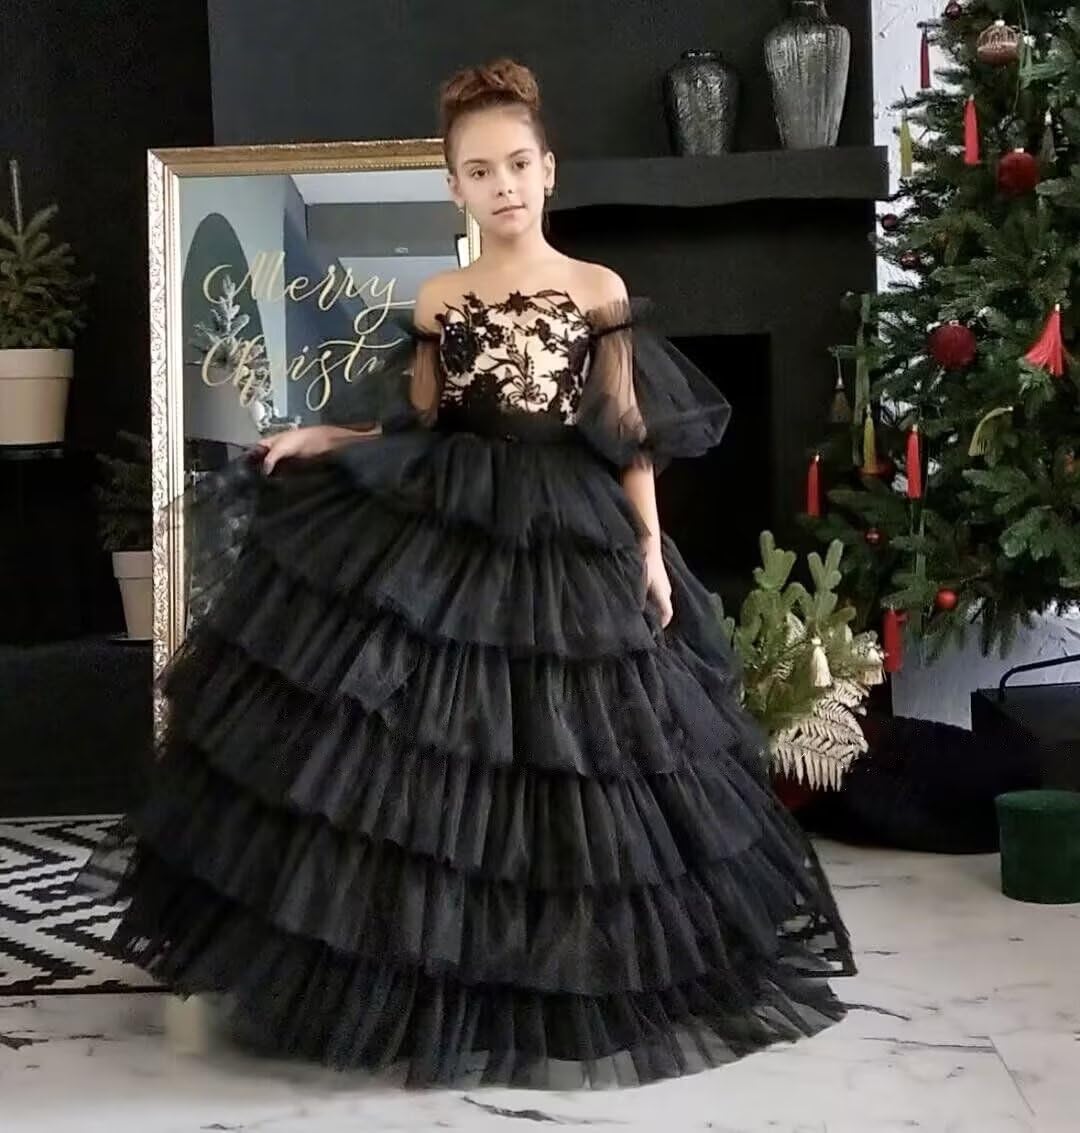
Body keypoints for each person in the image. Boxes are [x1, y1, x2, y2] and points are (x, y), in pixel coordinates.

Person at [76, 57, 856, 1090]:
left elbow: (626, 432)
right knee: (435, 745)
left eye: (518, 164)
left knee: (572, 749)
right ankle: (421, 968)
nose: (503, 185)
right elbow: (420, 423)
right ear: (453, 186)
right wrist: (325, 436)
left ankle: (563, 965)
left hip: (567, 525)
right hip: (452, 512)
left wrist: (647, 551)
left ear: (549, 169)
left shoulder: (597, 289)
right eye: (479, 171)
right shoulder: (441, 295)